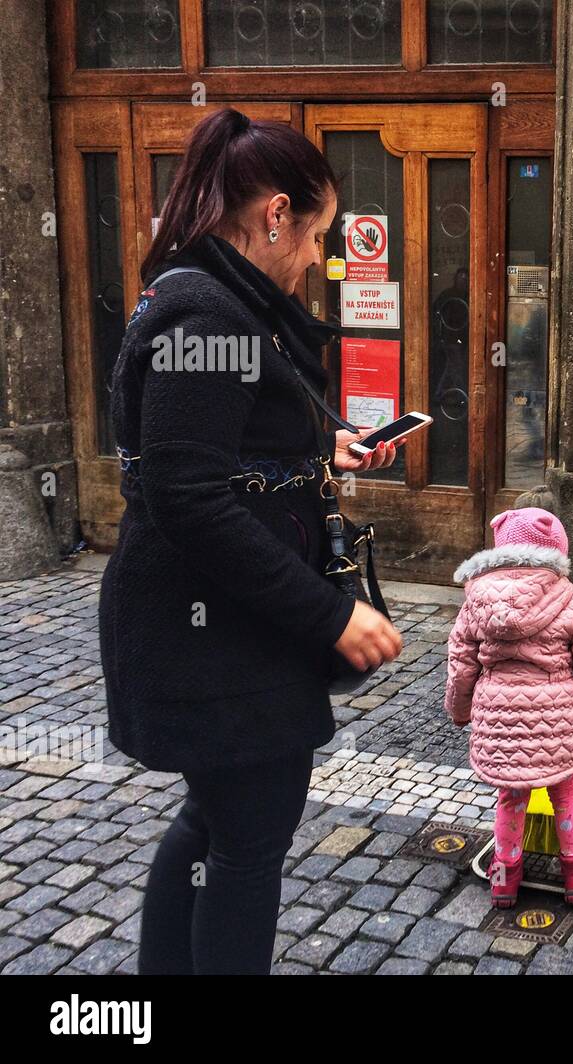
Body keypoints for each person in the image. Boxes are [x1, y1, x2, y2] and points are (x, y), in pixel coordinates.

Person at [99, 107, 404, 974]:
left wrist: (313, 448)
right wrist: (328, 617)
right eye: (315, 236)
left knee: (217, 821)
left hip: (218, 628)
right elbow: (189, 496)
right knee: (247, 836)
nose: (318, 259)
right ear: (275, 215)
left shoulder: (217, 303)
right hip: (213, 633)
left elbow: (212, 453)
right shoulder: (212, 325)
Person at [444, 506, 573, 907]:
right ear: (555, 549)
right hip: (557, 719)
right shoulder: (572, 602)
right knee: (566, 792)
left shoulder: (476, 601)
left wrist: (459, 708)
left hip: (498, 716)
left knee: (511, 796)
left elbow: (460, 662)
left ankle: (504, 874)